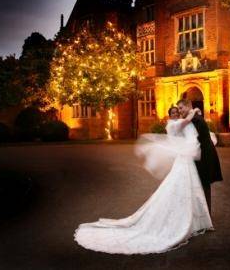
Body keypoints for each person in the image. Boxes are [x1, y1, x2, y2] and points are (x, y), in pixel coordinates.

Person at [74, 106, 214, 254]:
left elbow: (190, 129)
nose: (175, 114)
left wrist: (193, 113)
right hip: (183, 160)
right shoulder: (172, 124)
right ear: (169, 115)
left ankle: (194, 219)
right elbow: (185, 122)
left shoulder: (182, 121)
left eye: (177, 112)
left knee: (187, 188)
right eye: (173, 112)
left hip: (185, 161)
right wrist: (194, 111)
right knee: (179, 188)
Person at [177, 99, 223, 215]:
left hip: (204, 156)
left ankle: (206, 215)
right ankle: (204, 213)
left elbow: (194, 141)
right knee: (201, 184)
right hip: (202, 154)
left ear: (188, 106)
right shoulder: (194, 117)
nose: (180, 111)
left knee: (204, 184)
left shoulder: (195, 119)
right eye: (178, 109)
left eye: (181, 108)